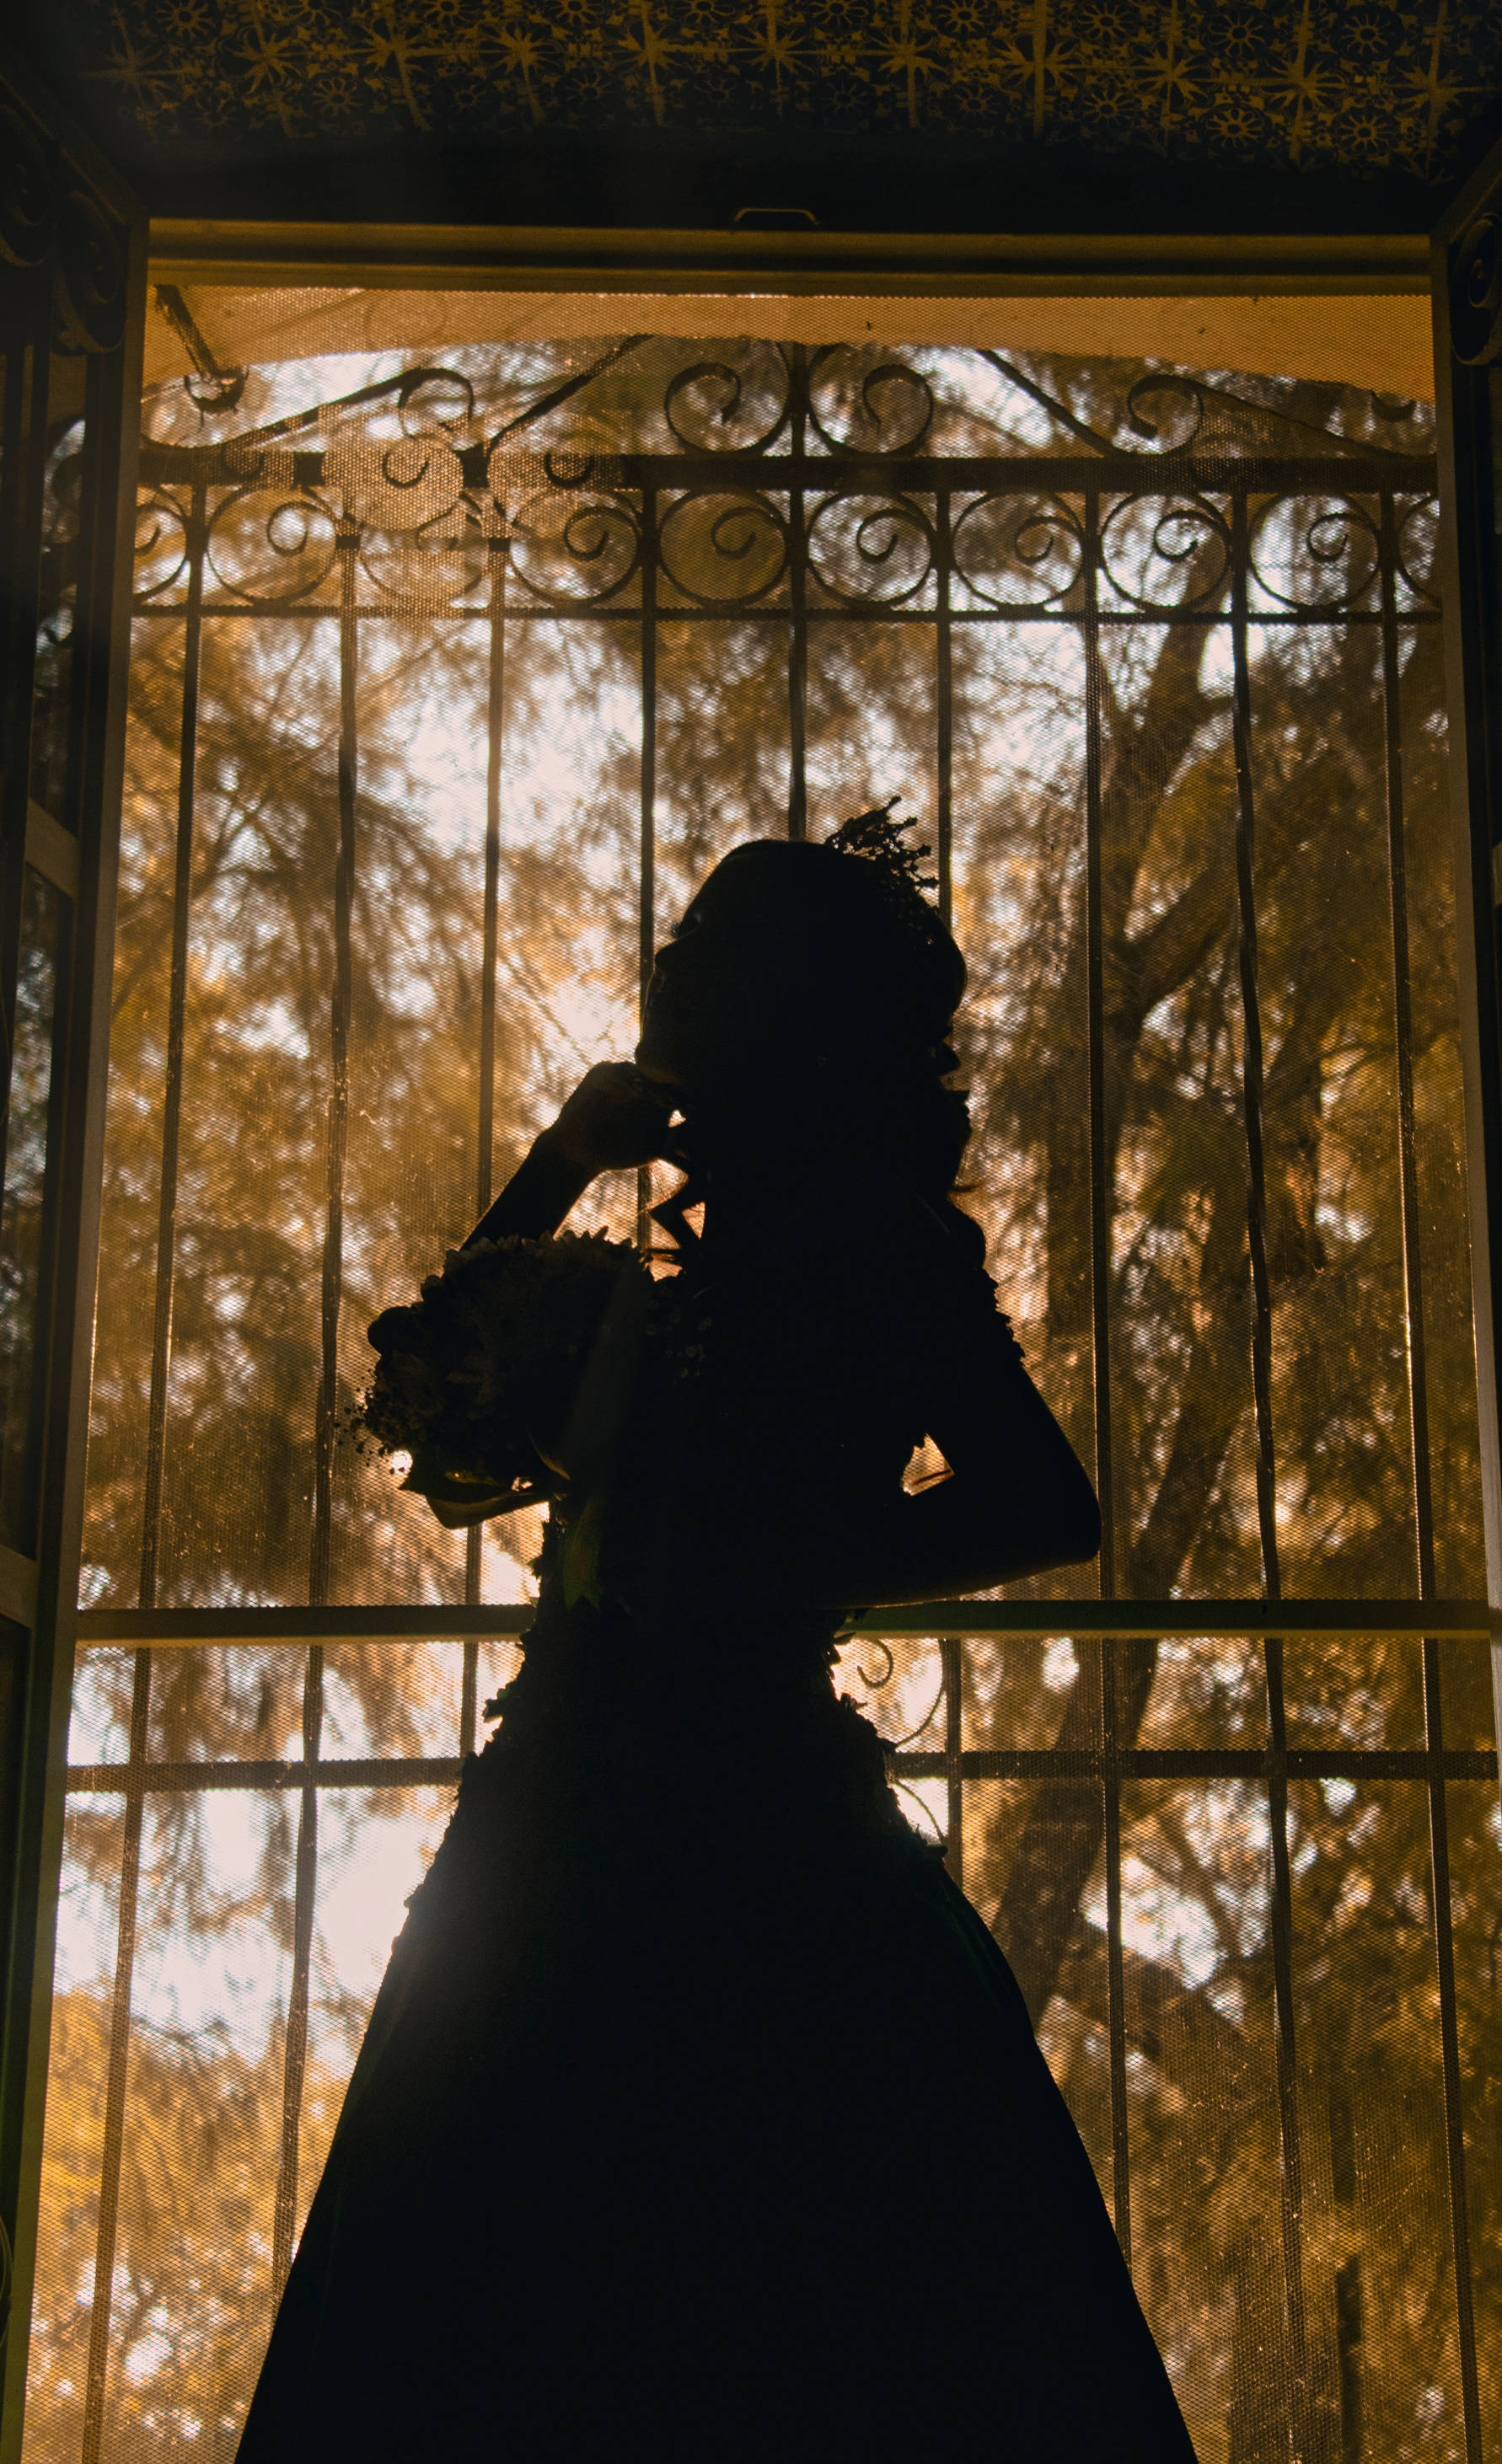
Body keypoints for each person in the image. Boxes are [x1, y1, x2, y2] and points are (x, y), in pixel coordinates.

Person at [237, 810, 1196, 2457]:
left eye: (703, 948)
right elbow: (437, 1446)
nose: (666, 962)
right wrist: (557, 1161)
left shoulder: (869, 1234)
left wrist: (784, 1570)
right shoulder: (659, 1270)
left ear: (788, 1002)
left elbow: (1049, 1503)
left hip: (746, 1827)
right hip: (563, 1812)